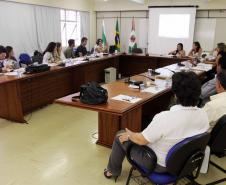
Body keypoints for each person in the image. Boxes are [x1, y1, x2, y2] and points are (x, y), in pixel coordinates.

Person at [104, 71, 209, 181]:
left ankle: (112, 171)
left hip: (158, 165)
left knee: (119, 136)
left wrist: (130, 135)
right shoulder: (203, 114)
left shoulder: (164, 118)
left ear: (176, 94)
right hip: (186, 162)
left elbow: (141, 141)